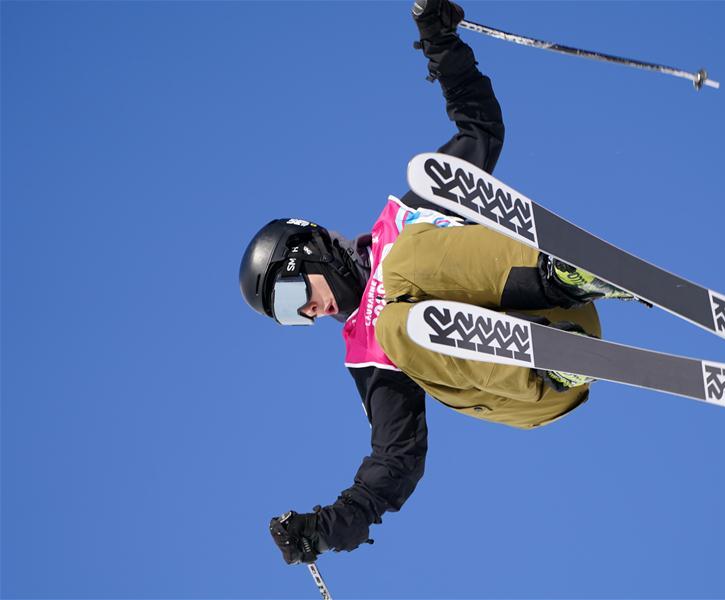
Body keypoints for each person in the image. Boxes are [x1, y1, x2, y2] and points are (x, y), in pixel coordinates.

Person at [241, 0, 638, 566]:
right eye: (288, 316)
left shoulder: (404, 218)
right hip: (535, 391)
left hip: (558, 307)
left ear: (309, 252)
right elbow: (395, 463)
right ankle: (551, 358)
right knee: (394, 323)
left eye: (291, 295)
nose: (306, 313)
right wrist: (323, 529)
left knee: (403, 261)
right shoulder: (368, 355)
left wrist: (440, 42)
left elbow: (480, 129)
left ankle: (565, 275)